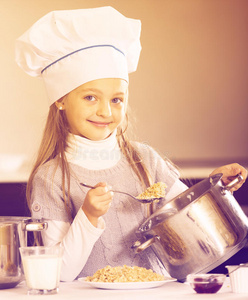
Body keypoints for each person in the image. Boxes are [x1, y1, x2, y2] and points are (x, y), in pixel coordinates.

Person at [15, 7, 247, 282]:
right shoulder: (51, 178)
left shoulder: (144, 158)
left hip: (158, 291)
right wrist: (88, 216)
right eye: (90, 97)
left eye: (116, 99)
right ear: (61, 100)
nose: (105, 112)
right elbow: (58, 274)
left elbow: (186, 215)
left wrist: (214, 188)